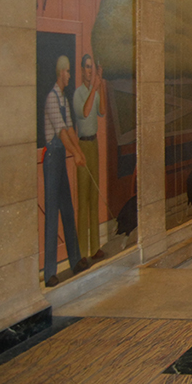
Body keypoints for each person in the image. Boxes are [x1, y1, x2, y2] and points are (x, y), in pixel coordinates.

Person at [43, 55, 89, 287]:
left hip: (61, 157)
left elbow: (70, 129)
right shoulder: (52, 98)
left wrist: (79, 152)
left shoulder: (62, 97)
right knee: (52, 213)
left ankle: (75, 260)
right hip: (52, 157)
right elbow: (61, 133)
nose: (70, 75)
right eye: (68, 71)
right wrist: (76, 154)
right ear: (61, 72)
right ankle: (50, 271)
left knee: (68, 209)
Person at [73, 54, 106, 263]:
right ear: (81, 70)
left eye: (91, 68)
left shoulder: (94, 90)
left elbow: (101, 111)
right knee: (83, 200)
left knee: (94, 197)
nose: (88, 71)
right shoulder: (78, 94)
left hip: (94, 145)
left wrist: (100, 85)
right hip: (83, 144)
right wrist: (94, 88)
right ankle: (81, 252)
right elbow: (85, 113)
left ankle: (95, 248)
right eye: (86, 67)